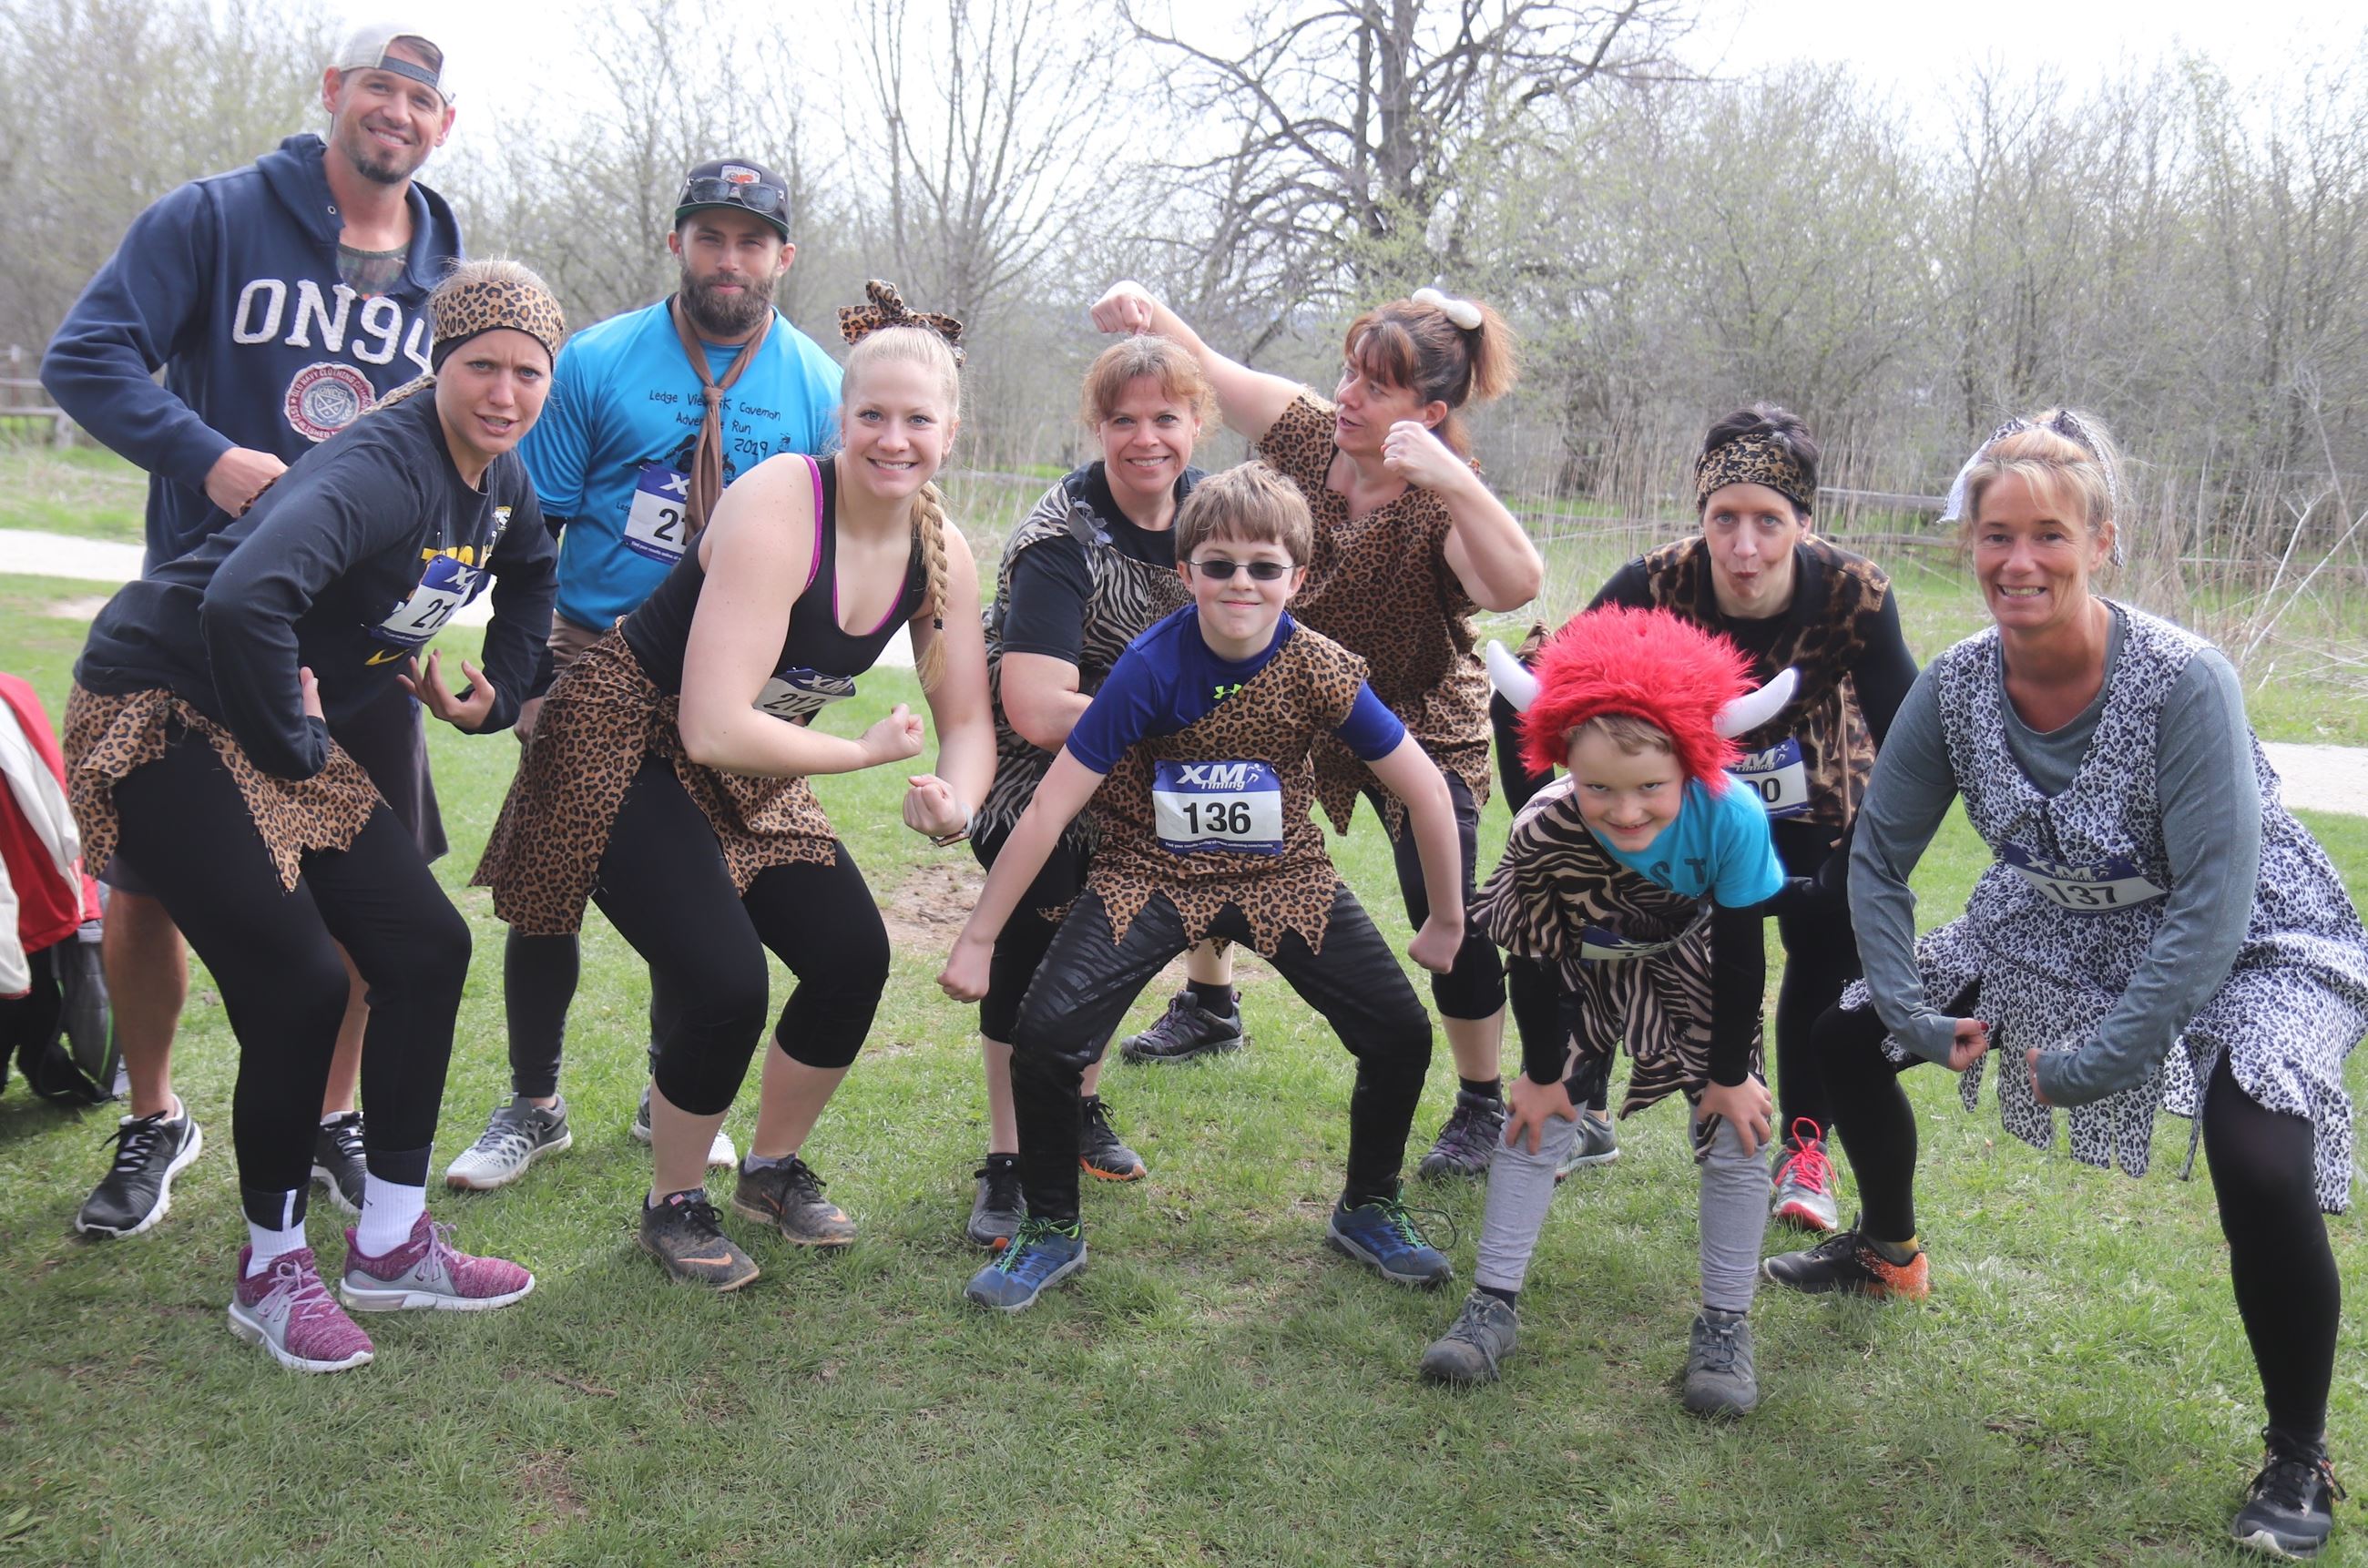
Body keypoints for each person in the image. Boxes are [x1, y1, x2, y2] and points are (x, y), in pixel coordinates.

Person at [1759, 411, 2368, 1558]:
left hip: (2250, 932)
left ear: (2101, 544)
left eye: (2048, 535)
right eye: (1995, 535)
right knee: (1845, 1038)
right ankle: (1886, 1255)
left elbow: (2211, 902)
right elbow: (1878, 862)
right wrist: (1904, 1007)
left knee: (2260, 1154)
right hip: (2054, 919)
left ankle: (2297, 1456)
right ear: (1967, 545)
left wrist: (2106, 1057)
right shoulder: (1953, 685)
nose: (2018, 561)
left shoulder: (2185, 680)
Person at [60, 259, 564, 1371]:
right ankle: (271, 1268)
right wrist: (295, 747)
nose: (503, 392)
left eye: (528, 372)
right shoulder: (381, 468)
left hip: (263, 709)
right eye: (480, 365)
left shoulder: (502, 481)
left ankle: (389, 1245)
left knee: (423, 947)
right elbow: (243, 600)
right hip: (162, 702)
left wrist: (501, 689)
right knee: (300, 980)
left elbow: (532, 571)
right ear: (441, 365)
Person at [38, 23, 467, 1237]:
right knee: (148, 881)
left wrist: (423, 620)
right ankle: (154, 1113)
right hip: (200, 629)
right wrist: (208, 455)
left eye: (420, 99)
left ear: (444, 126)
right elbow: (87, 355)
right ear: (334, 94)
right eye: (376, 87)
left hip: (361, 649)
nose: (396, 112)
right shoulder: (216, 218)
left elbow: (448, 450)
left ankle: (332, 1114)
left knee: (368, 894)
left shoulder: (448, 267)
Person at [476, 288, 993, 1290]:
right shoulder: (778, 502)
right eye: (872, 417)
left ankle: (769, 1168)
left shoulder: (942, 552)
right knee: (722, 979)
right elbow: (710, 723)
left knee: (850, 955)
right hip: (625, 739)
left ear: (950, 433)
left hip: (745, 762)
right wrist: (860, 756)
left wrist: (957, 800)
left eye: (917, 420)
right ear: (839, 420)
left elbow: (967, 720)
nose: (893, 440)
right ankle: (673, 1200)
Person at [941, 463, 1465, 1312]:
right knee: (1043, 1037)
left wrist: (1446, 917)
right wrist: (978, 937)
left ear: (1297, 578)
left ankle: (1369, 1205)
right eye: (1218, 565)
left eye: (1265, 567)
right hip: (1149, 871)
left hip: (1282, 874)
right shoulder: (1147, 669)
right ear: (1186, 575)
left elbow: (1427, 788)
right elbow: (1046, 811)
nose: (1241, 585)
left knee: (1401, 1035)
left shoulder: (1322, 667)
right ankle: (1051, 1227)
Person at [443, 158, 845, 1192]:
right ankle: (534, 1102)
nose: (729, 259)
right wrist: (526, 675)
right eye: (709, 236)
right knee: (548, 887)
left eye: (751, 241)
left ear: (782, 258)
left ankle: (671, 1089)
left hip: (724, 679)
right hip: (592, 661)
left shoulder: (816, 386)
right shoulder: (597, 359)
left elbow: (822, 544)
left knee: (696, 892)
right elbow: (538, 529)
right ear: (677, 243)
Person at [1089, 280, 1540, 1177]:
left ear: (1429, 412)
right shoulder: (1305, 435)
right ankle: (1211, 1005)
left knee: (1434, 894)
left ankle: (1482, 1099)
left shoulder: (1443, 501)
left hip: (1415, 714)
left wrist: (1450, 476)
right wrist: (1147, 311)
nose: (1346, 396)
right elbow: (1213, 369)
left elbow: (1514, 585)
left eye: (1374, 388)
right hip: (1291, 695)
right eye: (1348, 374)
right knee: (1211, 802)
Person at [1493, 405, 1918, 1225]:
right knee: (1606, 935)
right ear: (1702, 519)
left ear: (1805, 521)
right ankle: (1580, 1108)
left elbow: (1910, 746)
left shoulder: (1854, 592)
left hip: (1813, 801)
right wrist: (1566, 826)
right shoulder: (1653, 582)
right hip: (1660, 805)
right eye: (1725, 520)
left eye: (1769, 521)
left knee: (1823, 951)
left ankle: (1801, 1148)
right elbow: (1537, 706)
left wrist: (1856, 862)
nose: (1745, 547)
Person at [1419, 607, 1786, 1412]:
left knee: (1739, 1122)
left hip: (1694, 959)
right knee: (1534, 1117)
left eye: (1652, 787)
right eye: (1599, 789)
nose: (1625, 813)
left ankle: (1726, 1325)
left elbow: (1742, 953)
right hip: (1578, 964)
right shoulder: (1543, 829)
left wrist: (1728, 1075)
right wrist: (1547, 1077)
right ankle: (1491, 1305)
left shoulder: (1731, 816)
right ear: (1563, 769)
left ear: (1692, 766)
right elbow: (1534, 959)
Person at [961, 335, 1222, 1247]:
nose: (1144, 438)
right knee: (1030, 967)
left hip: (1148, 771)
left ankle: (1074, 1104)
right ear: (1096, 426)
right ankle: (1003, 1159)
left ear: (1198, 423)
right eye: (1122, 419)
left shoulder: (1213, 516)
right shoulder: (1059, 538)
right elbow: (1033, 708)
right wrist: (1179, 713)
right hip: (1037, 774)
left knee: (1111, 950)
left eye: (1164, 417)